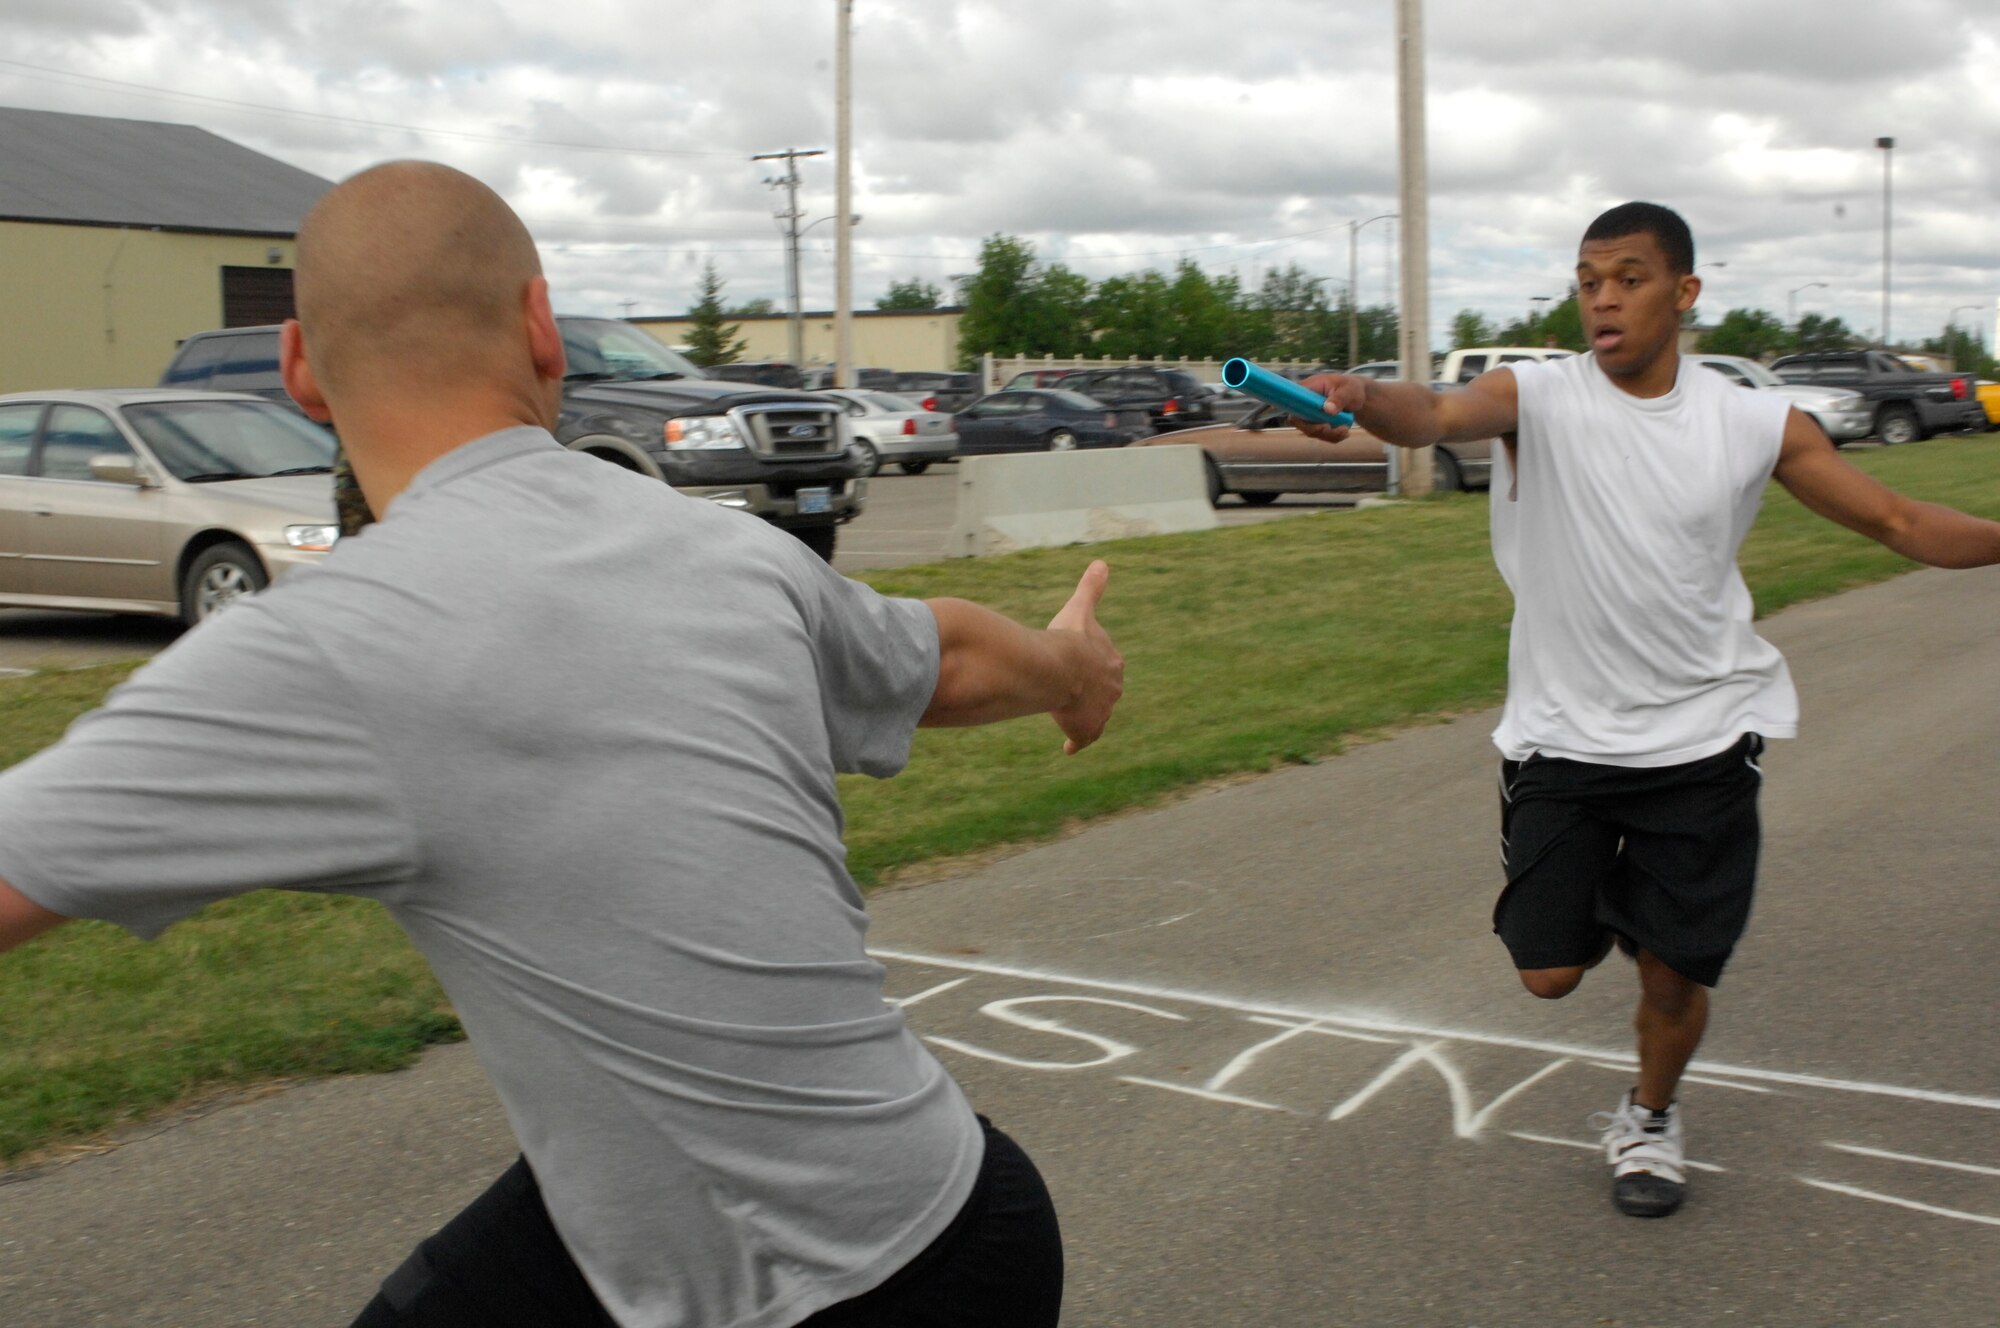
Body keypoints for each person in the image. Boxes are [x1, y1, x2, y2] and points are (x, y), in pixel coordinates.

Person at [0, 161, 1125, 1326]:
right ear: (544, 330)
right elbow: (946, 656)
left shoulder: (320, 649)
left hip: (826, 1289)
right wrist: (1076, 672)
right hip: (967, 1217)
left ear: (299, 371)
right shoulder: (728, 549)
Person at [1297, 201, 2000, 1219]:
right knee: (1545, 973)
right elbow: (1433, 413)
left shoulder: (1753, 421)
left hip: (1701, 739)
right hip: (1560, 738)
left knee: (1669, 983)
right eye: (1586, 279)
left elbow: (1896, 517)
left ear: (1683, 292)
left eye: (1626, 276)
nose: (1602, 298)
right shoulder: (1535, 396)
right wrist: (1358, 392)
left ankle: (1648, 1114)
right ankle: (1636, 906)